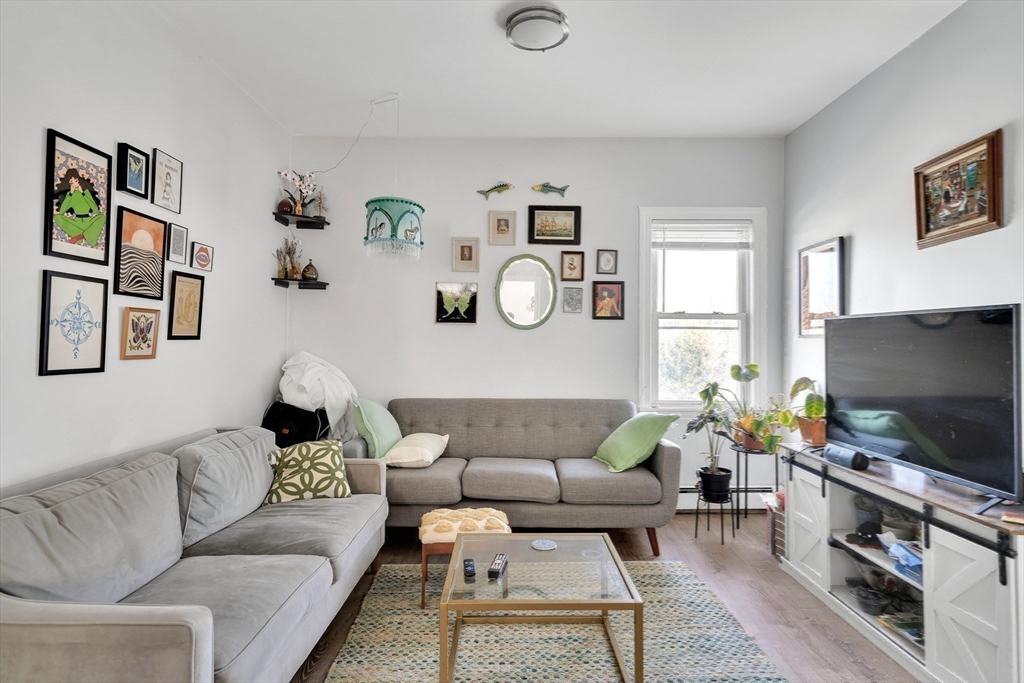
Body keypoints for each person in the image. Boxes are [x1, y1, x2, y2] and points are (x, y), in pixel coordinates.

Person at [53, 168, 105, 246]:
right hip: (77, 223)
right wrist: (70, 193)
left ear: (79, 180)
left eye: (76, 181)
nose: (74, 184)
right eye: (71, 182)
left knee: (102, 217)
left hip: (88, 222)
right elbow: (62, 212)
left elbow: (96, 210)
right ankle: (86, 234)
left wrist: (83, 193)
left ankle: (81, 236)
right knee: (57, 217)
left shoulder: (86, 192)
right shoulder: (70, 195)